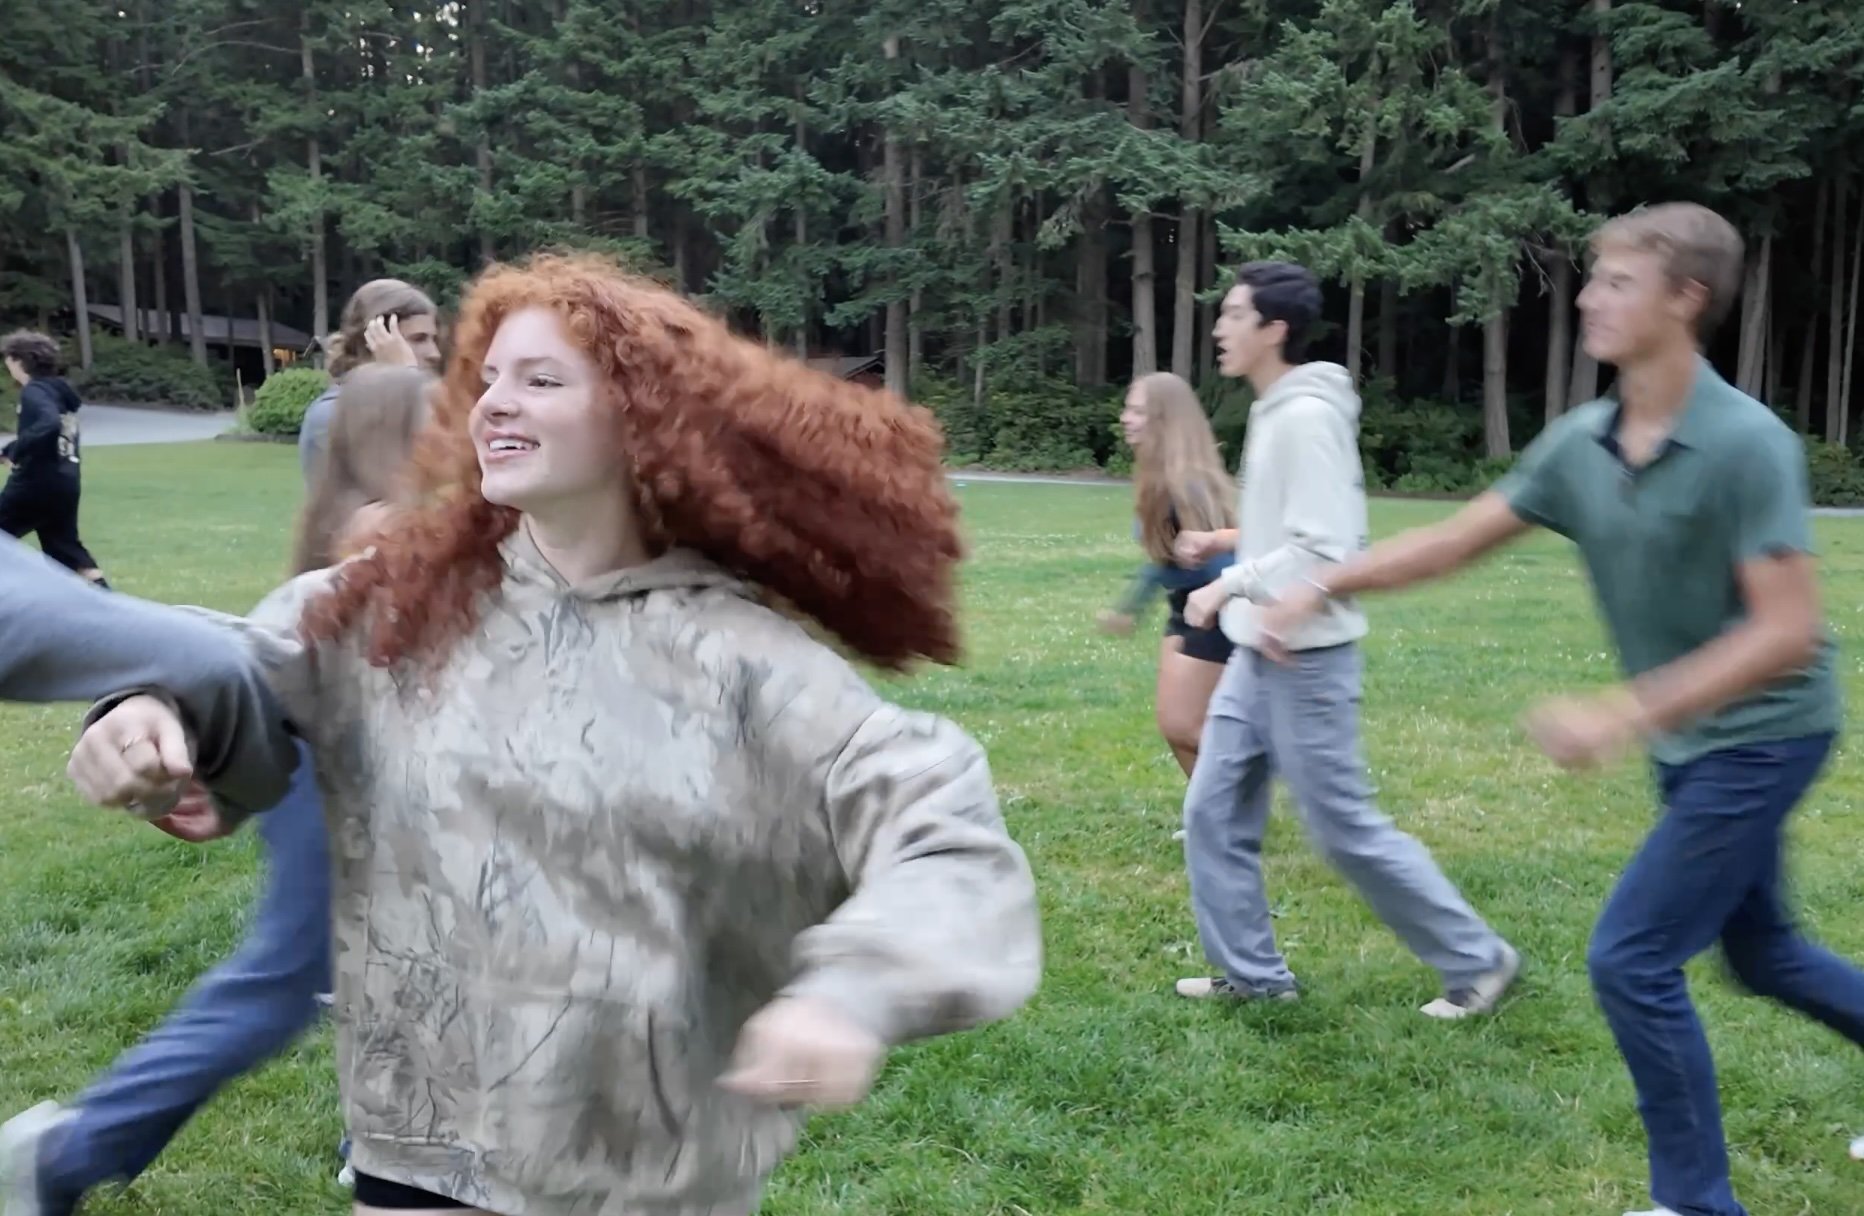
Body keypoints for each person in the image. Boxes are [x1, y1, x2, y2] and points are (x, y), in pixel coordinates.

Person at [66, 253, 1042, 1215]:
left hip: (635, 1180)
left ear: (639, 416)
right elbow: (241, 667)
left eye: (539, 380)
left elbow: (944, 834)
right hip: (416, 1153)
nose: (492, 403)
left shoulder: (744, 661)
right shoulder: (395, 602)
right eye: (487, 379)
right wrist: (148, 714)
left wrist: (857, 989)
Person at [1255, 205, 1863, 1216]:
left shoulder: (1746, 444)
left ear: (1686, 299)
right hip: (1694, 740)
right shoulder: (1584, 441)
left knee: (1630, 956)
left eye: (1617, 281)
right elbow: (1456, 539)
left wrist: (1623, 709)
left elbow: (1786, 629)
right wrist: (1321, 583)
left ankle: (1694, 1204)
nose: (1587, 297)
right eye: (1594, 279)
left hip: (1761, 736)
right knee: (1762, 953)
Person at [1, 364, 436, 1216]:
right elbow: (249, 651)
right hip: (325, 752)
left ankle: (379, 1134)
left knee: (384, 955)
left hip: (391, 773)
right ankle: (63, 1154)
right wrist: (145, 700)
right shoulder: (371, 546)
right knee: (284, 974)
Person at [1176, 260, 1519, 1018]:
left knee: (1342, 827)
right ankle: (1254, 976)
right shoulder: (1276, 410)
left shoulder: (1305, 416)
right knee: (1212, 810)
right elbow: (1285, 537)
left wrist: (1227, 583)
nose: (1220, 328)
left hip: (1308, 658)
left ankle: (1479, 960)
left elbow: (1328, 547)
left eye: (1234, 315)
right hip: (1257, 651)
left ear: (1275, 329)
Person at [1098, 373, 1237, 806]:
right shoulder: (1157, 476)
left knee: (1185, 725)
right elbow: (1164, 558)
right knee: (1174, 726)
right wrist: (1131, 607)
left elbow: (1231, 554)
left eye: (1137, 410)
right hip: (1182, 608)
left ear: (1164, 419)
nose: (1126, 418)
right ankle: (1212, 815)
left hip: (1214, 609)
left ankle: (1238, 796)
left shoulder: (1188, 481)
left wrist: (1214, 599)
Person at [301, 279, 443, 479]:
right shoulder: (333, 413)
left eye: (433, 340)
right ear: (375, 340)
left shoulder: (411, 402)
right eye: (419, 339)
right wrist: (405, 377)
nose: (434, 353)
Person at [0, 332, 108, 589]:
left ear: (17, 361)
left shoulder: (35, 392)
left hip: (35, 484)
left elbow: (48, 424)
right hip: (66, 480)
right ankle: (111, 604)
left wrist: (14, 450)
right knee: (65, 549)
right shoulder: (60, 394)